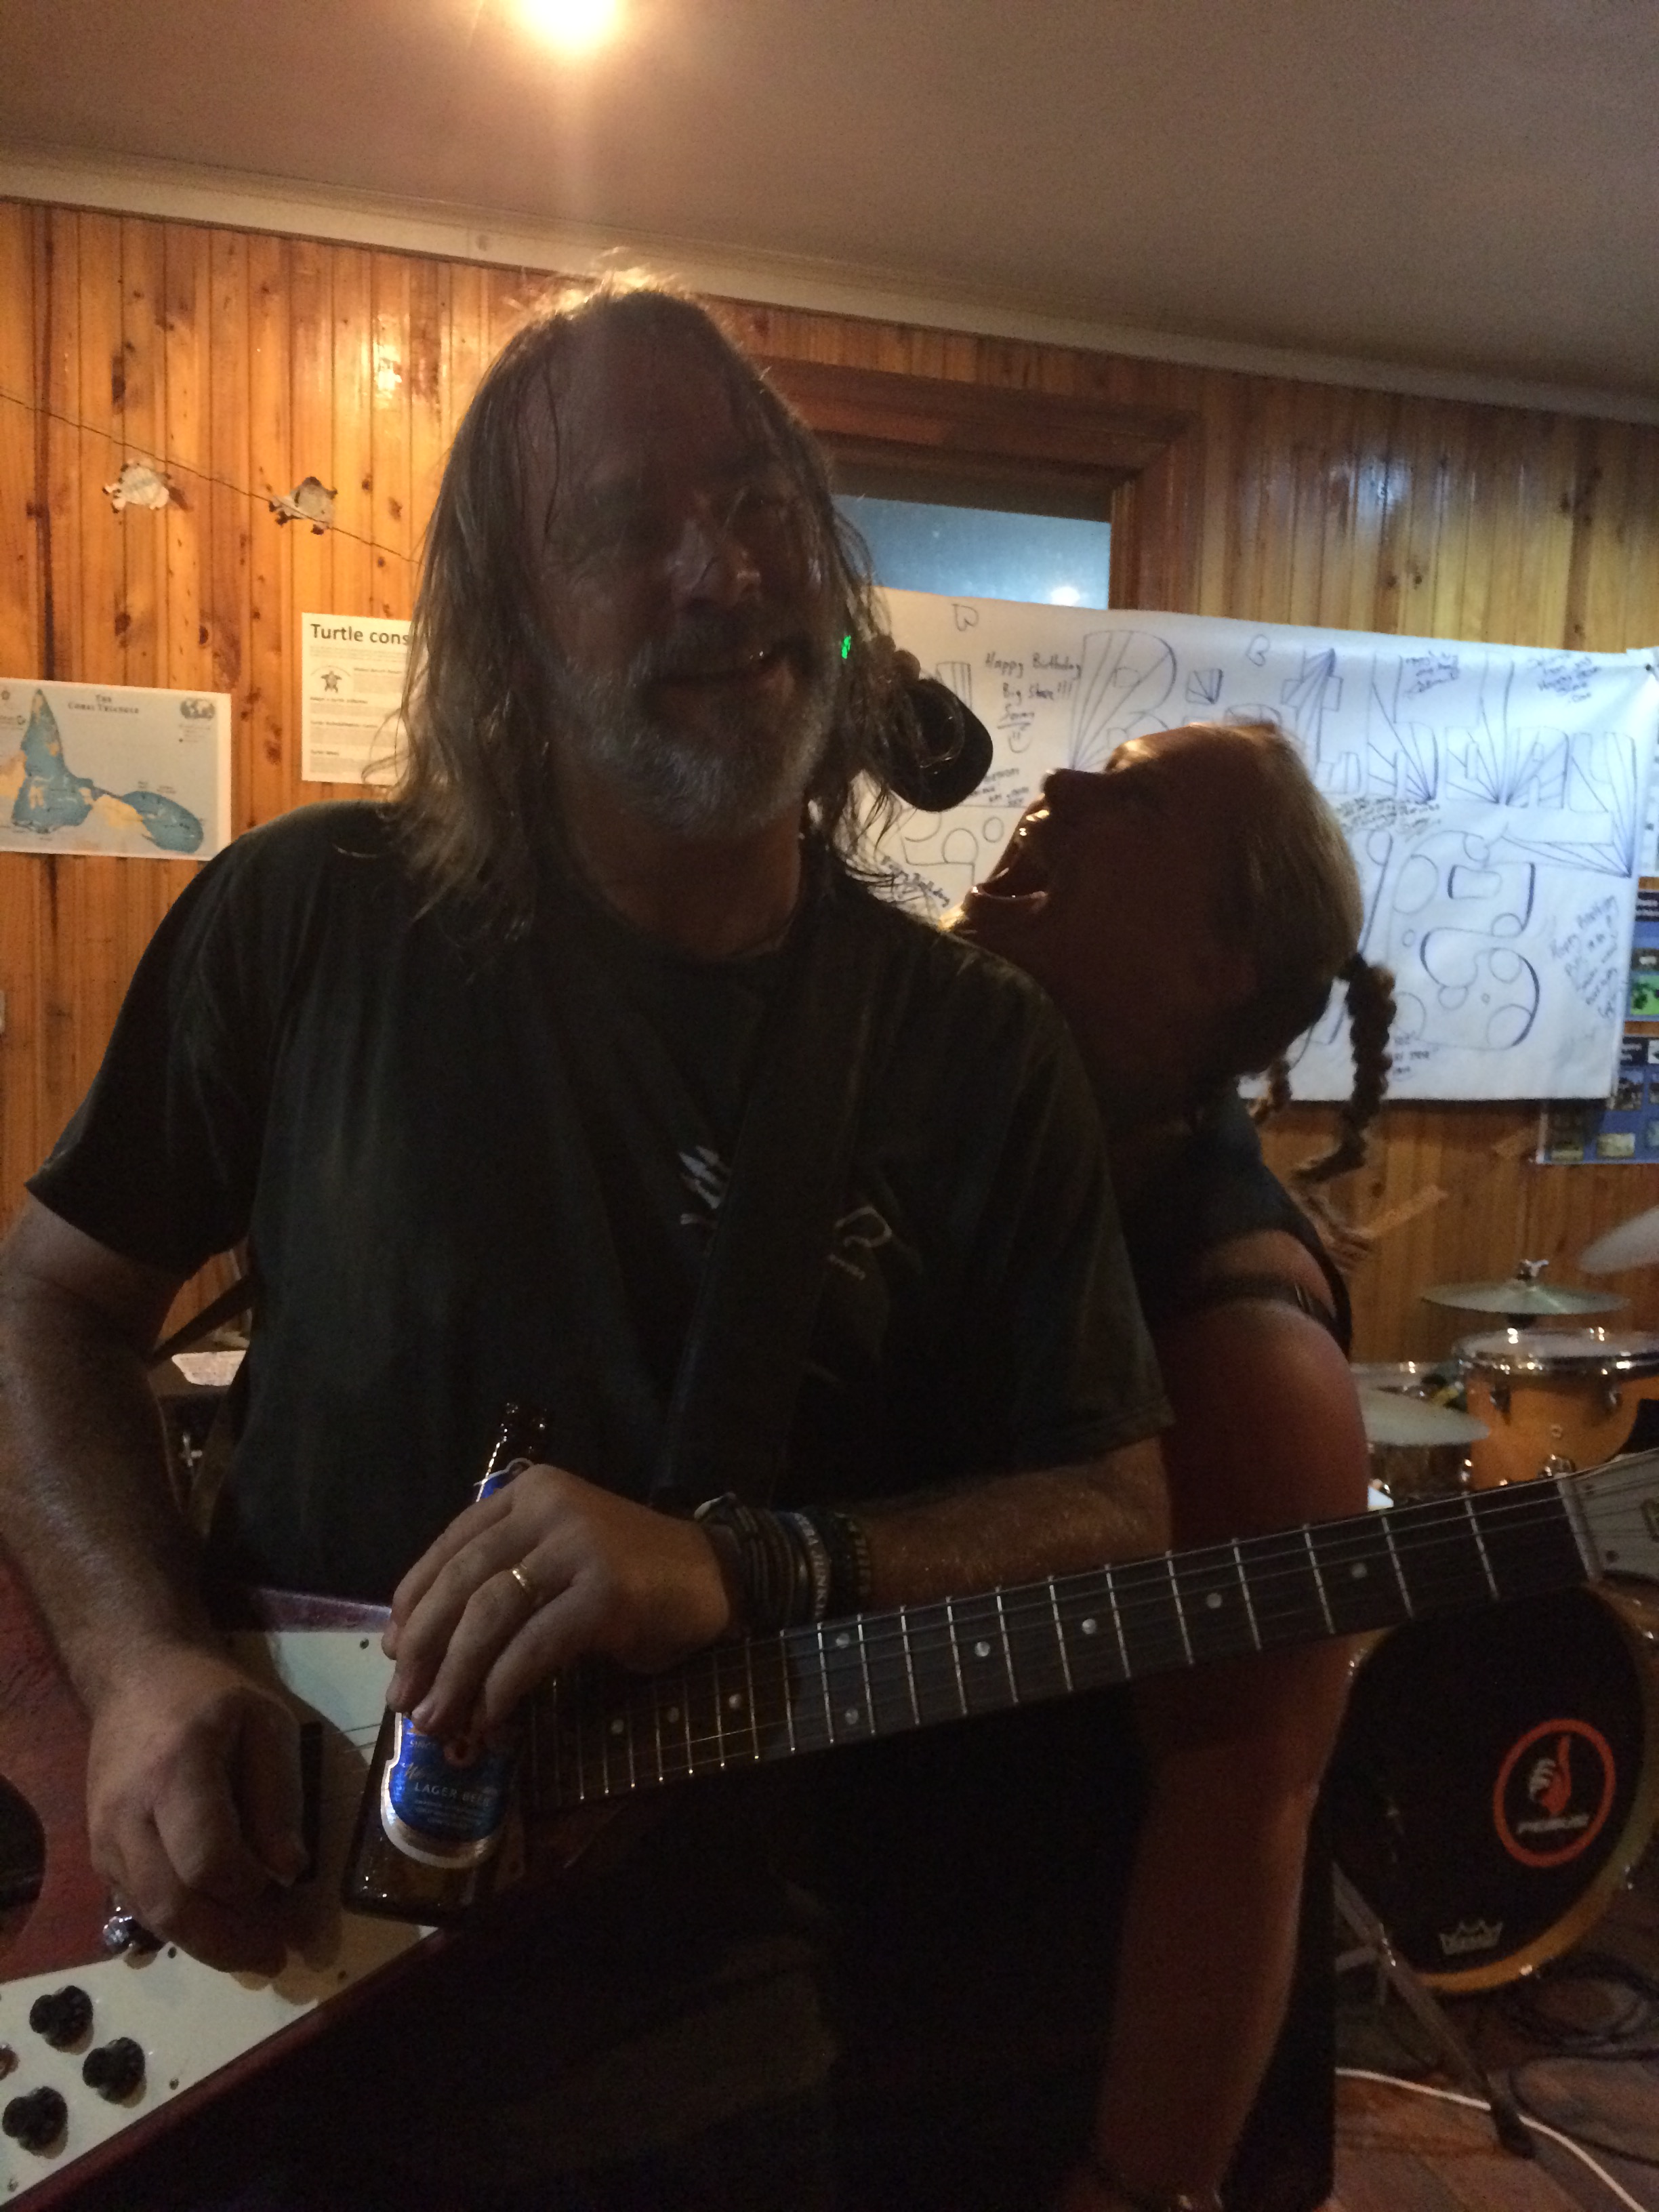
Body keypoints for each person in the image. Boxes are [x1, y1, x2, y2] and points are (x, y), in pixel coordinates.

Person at [0, 278, 1170, 2211]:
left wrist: (746, 1566)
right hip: (240, 1981)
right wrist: (136, 1667)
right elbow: (51, 1306)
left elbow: (1114, 1512)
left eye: (761, 504)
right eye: (627, 528)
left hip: (692, 2055)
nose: (726, 572)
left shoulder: (974, 1050)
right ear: (510, 634)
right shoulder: (308, 920)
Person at [946, 720, 1393, 2212]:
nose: (1058, 790)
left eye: (1129, 797)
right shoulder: (1041, 1168)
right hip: (953, 2003)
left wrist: (1138, 2184)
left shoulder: (1244, 1344)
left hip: (1076, 2074)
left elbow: (1239, 1808)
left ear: (1215, 964)